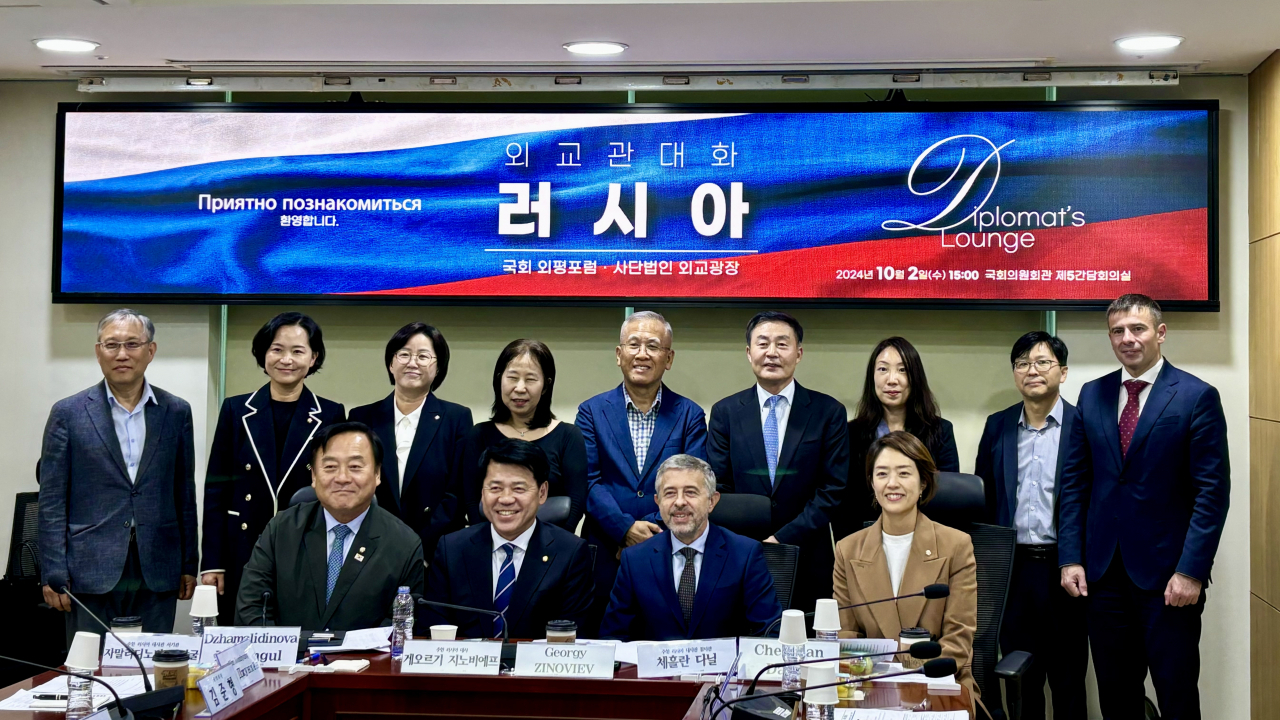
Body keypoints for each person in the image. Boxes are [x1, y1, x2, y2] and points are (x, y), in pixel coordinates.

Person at [1058, 294, 1230, 720]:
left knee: (1175, 694)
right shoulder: (1092, 394)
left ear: (1160, 333)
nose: (1127, 339)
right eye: (1117, 331)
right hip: (1103, 578)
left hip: (1168, 581)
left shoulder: (1196, 396)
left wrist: (1190, 571)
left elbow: (1212, 493)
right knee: (1117, 696)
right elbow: (1076, 484)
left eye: (1137, 329)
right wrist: (1070, 558)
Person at [38, 309, 198, 642]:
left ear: (150, 351)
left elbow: (184, 491)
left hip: (156, 564)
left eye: (132, 344)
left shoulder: (176, 411)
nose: (122, 354)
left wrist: (188, 562)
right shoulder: (68, 413)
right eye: (112, 345)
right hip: (88, 567)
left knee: (152, 673)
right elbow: (52, 500)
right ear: (99, 352)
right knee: (90, 672)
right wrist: (53, 572)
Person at [201, 312, 346, 623]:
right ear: (263, 354)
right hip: (242, 549)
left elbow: (335, 488)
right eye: (277, 349)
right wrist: (212, 562)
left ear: (313, 357)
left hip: (305, 548)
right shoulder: (236, 410)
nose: (286, 359)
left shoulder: (331, 414)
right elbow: (217, 490)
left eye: (297, 351)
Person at [974, 331, 1087, 720]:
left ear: (1063, 371)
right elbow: (985, 502)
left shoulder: (1084, 424)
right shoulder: (998, 426)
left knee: (1069, 677)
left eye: (1042, 362)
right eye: (1022, 364)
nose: (1032, 371)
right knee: (1021, 677)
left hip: (1066, 568)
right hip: (1012, 571)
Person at [575, 310, 708, 635]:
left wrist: (648, 531)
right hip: (605, 549)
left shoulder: (689, 414)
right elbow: (588, 483)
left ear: (669, 358)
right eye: (634, 344)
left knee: (664, 642)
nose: (642, 354)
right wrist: (624, 529)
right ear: (619, 355)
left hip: (668, 545)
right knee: (602, 643)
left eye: (653, 346)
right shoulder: (591, 412)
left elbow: (692, 484)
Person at [707, 311, 849, 610]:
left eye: (782, 344)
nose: (771, 353)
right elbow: (719, 485)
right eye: (763, 344)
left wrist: (782, 537)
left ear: (798, 354)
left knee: (810, 648)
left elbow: (832, 489)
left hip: (809, 553)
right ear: (749, 353)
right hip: (742, 553)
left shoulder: (828, 412)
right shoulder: (726, 412)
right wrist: (749, 540)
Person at [833, 431, 981, 712]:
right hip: (870, 688)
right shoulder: (847, 550)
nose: (892, 484)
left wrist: (904, 676)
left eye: (903, 473)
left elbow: (958, 640)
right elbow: (847, 637)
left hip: (939, 684)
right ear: (872, 482)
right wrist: (881, 682)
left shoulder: (956, 546)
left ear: (923, 481)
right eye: (882, 474)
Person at [235, 422, 424, 630]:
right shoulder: (281, 529)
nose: (342, 478)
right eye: (330, 467)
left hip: (364, 661)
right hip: (286, 660)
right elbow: (251, 608)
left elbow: (399, 626)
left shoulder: (404, 544)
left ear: (377, 474)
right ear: (314, 476)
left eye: (355, 467)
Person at [422, 439, 594, 639]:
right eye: (495, 488)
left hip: (537, 669)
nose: (505, 499)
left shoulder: (570, 553)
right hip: (466, 669)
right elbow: (431, 630)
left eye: (519, 489)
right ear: (482, 492)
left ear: (542, 492)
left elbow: (574, 638)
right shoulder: (451, 549)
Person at [600, 454, 781, 641]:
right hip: (656, 669)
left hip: (723, 668)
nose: (679, 502)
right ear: (658, 502)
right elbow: (613, 637)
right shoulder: (635, 559)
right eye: (670, 493)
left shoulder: (745, 555)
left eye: (690, 492)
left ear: (712, 501)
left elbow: (770, 631)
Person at [348, 322, 473, 564]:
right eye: (404, 354)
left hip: (434, 550)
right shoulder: (361, 418)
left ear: (438, 368)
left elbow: (455, 493)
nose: (412, 362)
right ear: (391, 363)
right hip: (370, 547)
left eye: (423, 356)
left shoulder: (457, 418)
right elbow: (354, 484)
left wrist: (417, 543)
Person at [461, 340, 587, 532]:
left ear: (546, 385)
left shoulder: (569, 436)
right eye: (512, 378)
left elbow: (576, 503)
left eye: (530, 379)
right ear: (499, 379)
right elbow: (471, 501)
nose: (520, 388)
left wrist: (552, 545)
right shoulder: (479, 435)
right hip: (490, 548)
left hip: (552, 548)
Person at [840, 337, 958, 540]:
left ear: (916, 378)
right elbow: (845, 503)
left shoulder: (940, 430)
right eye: (883, 369)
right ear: (872, 378)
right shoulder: (851, 433)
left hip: (925, 539)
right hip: (865, 540)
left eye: (902, 370)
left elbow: (946, 496)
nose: (892, 379)